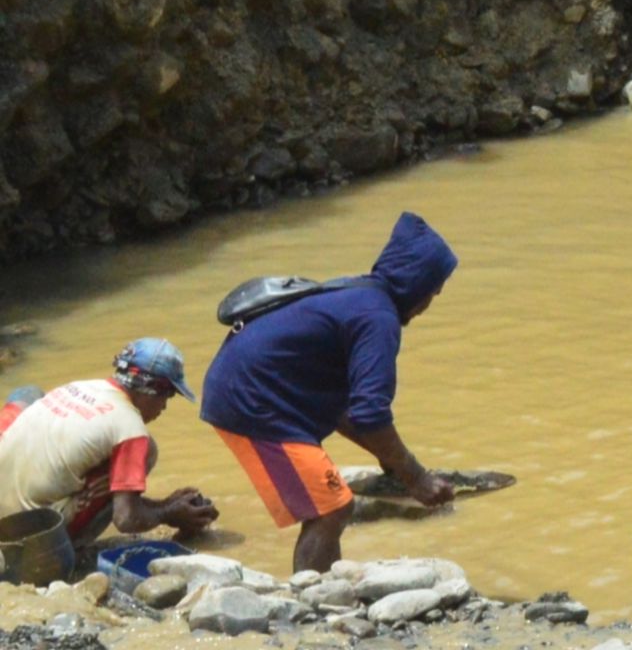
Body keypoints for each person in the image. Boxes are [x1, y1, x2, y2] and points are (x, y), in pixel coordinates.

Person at [201, 211, 458, 573]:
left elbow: (345, 413)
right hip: (254, 400)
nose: (428, 304)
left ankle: (321, 590)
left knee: (331, 502)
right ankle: (312, 603)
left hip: (245, 388)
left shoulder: (356, 294)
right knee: (331, 507)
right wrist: (416, 477)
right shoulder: (378, 319)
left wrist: (392, 463)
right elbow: (371, 414)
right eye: (432, 292)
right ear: (416, 284)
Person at [0, 338, 219, 547]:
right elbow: (126, 519)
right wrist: (168, 514)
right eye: (168, 395)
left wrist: (165, 504)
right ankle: (74, 546)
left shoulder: (80, 386)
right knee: (147, 450)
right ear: (153, 388)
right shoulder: (130, 429)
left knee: (28, 396)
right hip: (27, 534)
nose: (164, 406)